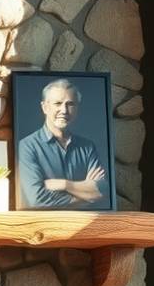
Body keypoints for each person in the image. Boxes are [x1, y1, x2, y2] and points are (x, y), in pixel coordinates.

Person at [17, 79, 109, 209]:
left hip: (84, 223)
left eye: (70, 104)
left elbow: (102, 191)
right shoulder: (27, 146)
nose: (64, 110)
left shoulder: (87, 147)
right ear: (45, 107)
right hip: (44, 225)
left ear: (77, 108)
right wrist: (86, 196)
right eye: (58, 103)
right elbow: (37, 200)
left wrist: (64, 184)